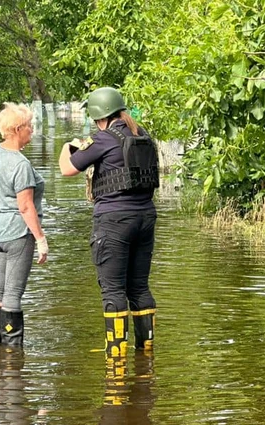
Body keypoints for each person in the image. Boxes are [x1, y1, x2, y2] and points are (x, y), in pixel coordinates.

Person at [58, 87, 160, 357]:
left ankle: (116, 358)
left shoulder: (103, 138)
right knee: (139, 287)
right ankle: (146, 353)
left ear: (98, 116)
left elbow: (67, 169)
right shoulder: (143, 135)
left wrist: (67, 147)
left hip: (113, 221)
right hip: (146, 217)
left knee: (113, 290)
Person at [0, 103, 47, 347]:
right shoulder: (20, 164)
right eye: (29, 126)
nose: (32, 131)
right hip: (18, 234)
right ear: (18, 129)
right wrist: (41, 240)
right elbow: (25, 207)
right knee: (12, 294)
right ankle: (12, 356)